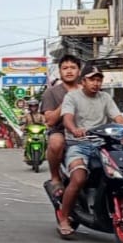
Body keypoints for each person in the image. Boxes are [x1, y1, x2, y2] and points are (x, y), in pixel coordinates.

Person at [56, 64, 123, 239]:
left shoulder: (105, 97)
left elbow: (118, 118)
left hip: (103, 144)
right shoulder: (72, 97)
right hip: (78, 144)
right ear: (83, 81)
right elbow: (67, 119)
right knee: (78, 178)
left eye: (98, 79)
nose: (95, 83)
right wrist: (75, 129)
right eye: (92, 79)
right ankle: (64, 217)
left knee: (122, 170)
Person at [40, 54, 81, 198]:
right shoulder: (51, 93)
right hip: (61, 131)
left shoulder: (88, 90)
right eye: (65, 68)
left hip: (86, 133)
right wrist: (67, 101)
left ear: (79, 71)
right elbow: (50, 120)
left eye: (73, 68)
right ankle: (55, 178)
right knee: (56, 142)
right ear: (60, 71)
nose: (69, 71)